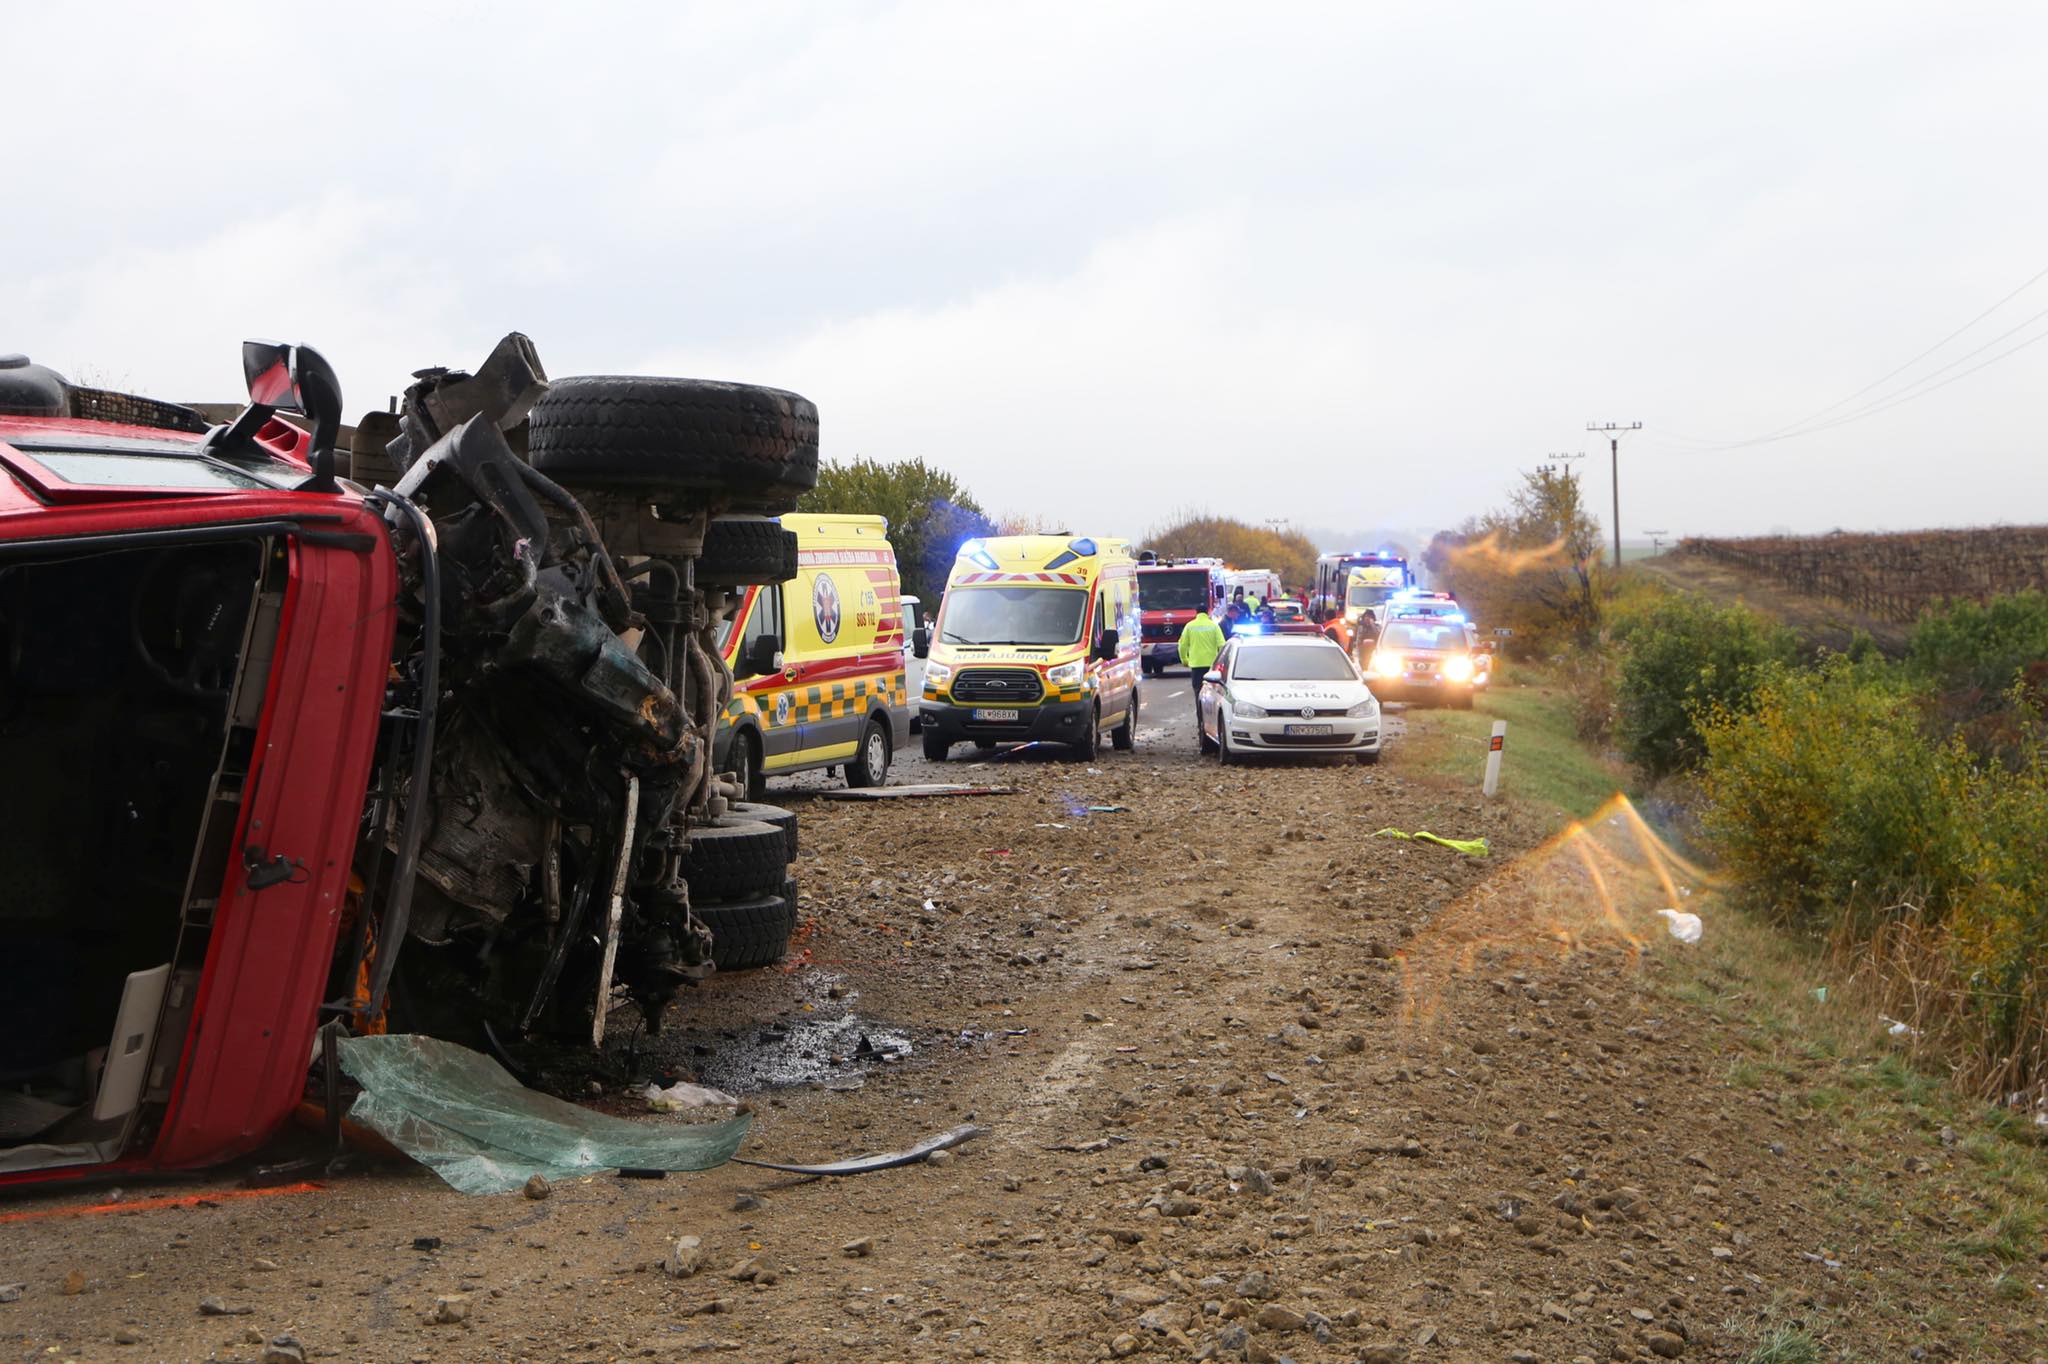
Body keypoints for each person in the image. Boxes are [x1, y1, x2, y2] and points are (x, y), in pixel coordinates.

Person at [1176, 606, 1224, 748]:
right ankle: (1212, 724)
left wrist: (1184, 660)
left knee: (1199, 695)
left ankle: (1201, 725)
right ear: (1208, 612)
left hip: (1196, 666)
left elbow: (1182, 646)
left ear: (1196, 613)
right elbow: (1222, 645)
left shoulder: (1190, 626)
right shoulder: (1213, 626)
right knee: (1213, 695)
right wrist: (1219, 663)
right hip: (1211, 667)